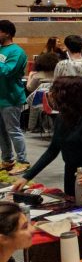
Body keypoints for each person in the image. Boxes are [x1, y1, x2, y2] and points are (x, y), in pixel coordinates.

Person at [13, 76, 82, 204]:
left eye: (55, 91)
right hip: (70, 176)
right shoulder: (61, 118)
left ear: (68, 96)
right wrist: (26, 177)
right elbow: (52, 151)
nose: (51, 94)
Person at [0, 21, 28, 174]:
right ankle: (7, 159)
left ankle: (22, 160)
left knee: (13, 130)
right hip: (0, 97)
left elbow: (7, 71)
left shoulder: (16, 52)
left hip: (11, 98)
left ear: (7, 33)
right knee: (1, 132)